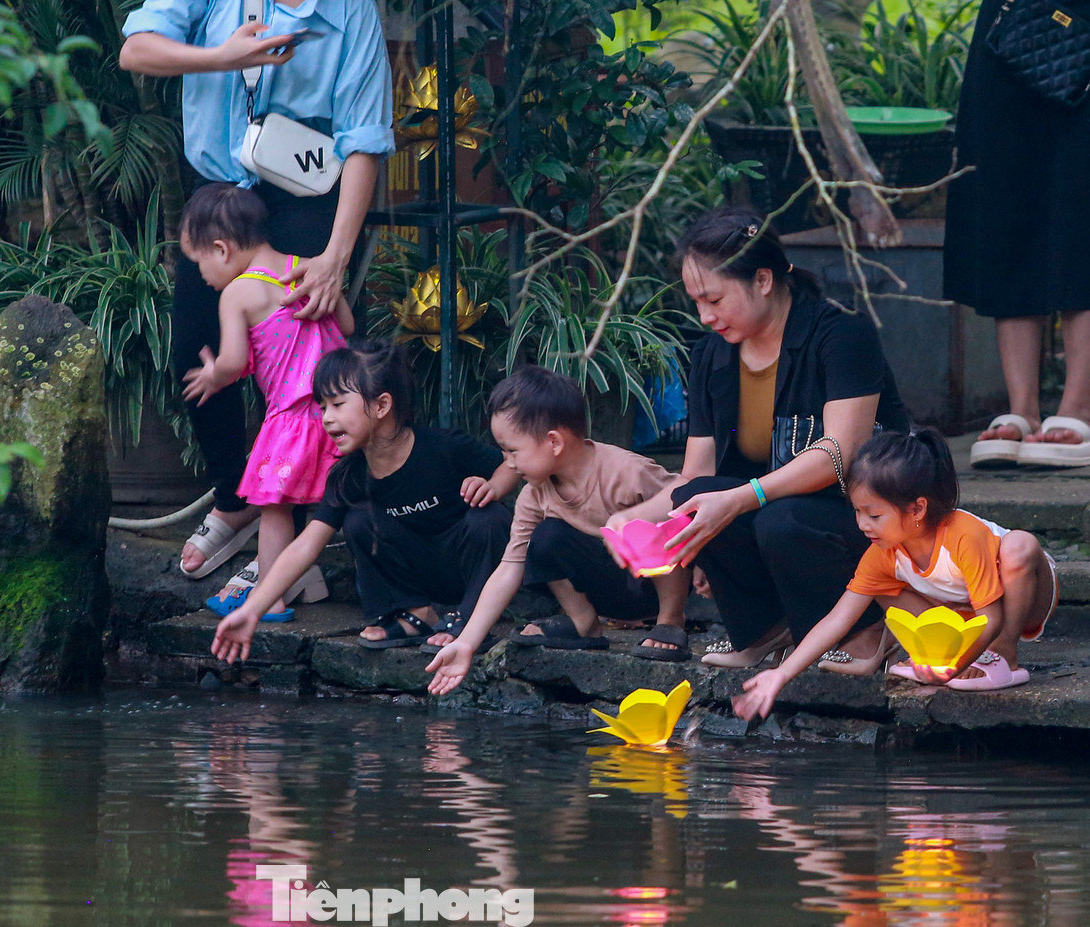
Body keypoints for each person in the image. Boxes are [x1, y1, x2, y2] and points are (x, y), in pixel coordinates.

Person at [119, 0, 394, 584]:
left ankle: (309, 526)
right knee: (196, 347)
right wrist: (223, 56)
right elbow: (135, 50)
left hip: (307, 192)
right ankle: (236, 497)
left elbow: (364, 137)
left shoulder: (351, 11)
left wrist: (334, 259)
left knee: (320, 359)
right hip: (221, 188)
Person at [605, 207, 911, 670]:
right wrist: (628, 520)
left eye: (715, 299)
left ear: (763, 280)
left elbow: (839, 455)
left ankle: (867, 630)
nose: (705, 316)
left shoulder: (842, 331)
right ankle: (766, 630)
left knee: (778, 518)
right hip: (779, 510)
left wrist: (742, 498)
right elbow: (696, 476)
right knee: (697, 497)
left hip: (865, 512)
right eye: (696, 303)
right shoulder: (711, 355)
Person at [211, 340, 518, 662]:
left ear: (382, 405)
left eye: (338, 404)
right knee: (358, 519)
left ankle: (470, 621)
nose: (327, 418)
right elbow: (306, 545)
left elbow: (509, 464)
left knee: (490, 517)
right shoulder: (348, 476)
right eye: (323, 406)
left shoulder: (443, 447)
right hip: (419, 569)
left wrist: (493, 486)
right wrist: (254, 608)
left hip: (471, 571)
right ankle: (416, 613)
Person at [733, 429, 1057, 719]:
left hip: (1020, 600)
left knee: (1020, 545)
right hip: (961, 612)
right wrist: (782, 674)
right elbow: (838, 619)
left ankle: (1003, 656)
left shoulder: (963, 536)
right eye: (857, 511)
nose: (862, 524)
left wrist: (954, 669)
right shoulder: (882, 554)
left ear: (917, 509)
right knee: (880, 587)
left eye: (873, 514)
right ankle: (930, 655)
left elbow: (992, 618)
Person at [425, 367, 691, 694]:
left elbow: (685, 495)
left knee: (658, 526)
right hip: (606, 588)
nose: (507, 463)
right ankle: (583, 623)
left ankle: (670, 620)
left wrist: (636, 518)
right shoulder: (534, 495)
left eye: (512, 451)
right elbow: (509, 568)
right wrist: (466, 643)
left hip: (652, 584)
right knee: (546, 537)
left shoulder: (625, 471)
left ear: (553, 441)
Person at [179, 183, 352, 620]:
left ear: (221, 249)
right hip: (344, 410)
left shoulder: (238, 292)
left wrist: (214, 375)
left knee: (275, 507)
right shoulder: (309, 269)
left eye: (199, 263)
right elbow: (346, 323)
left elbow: (236, 362)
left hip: (292, 418)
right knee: (343, 500)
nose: (201, 276)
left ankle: (270, 597)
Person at [947, 0, 1090, 469]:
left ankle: (1078, 407)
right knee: (1002, 210)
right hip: (1011, 26)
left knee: (1081, 215)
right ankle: (1023, 408)